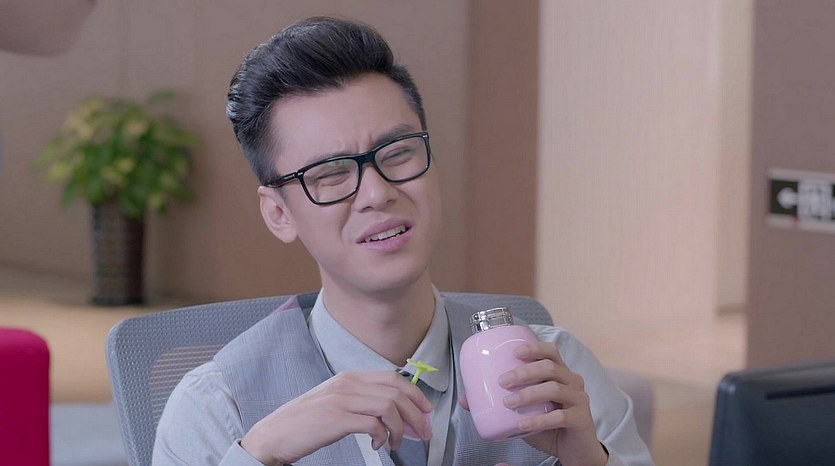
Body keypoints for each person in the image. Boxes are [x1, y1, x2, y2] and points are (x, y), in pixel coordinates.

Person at [153, 16, 654, 466]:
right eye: (330, 173)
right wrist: (261, 454)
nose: (377, 193)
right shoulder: (218, 409)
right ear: (279, 214)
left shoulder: (555, 368)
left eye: (397, 153)